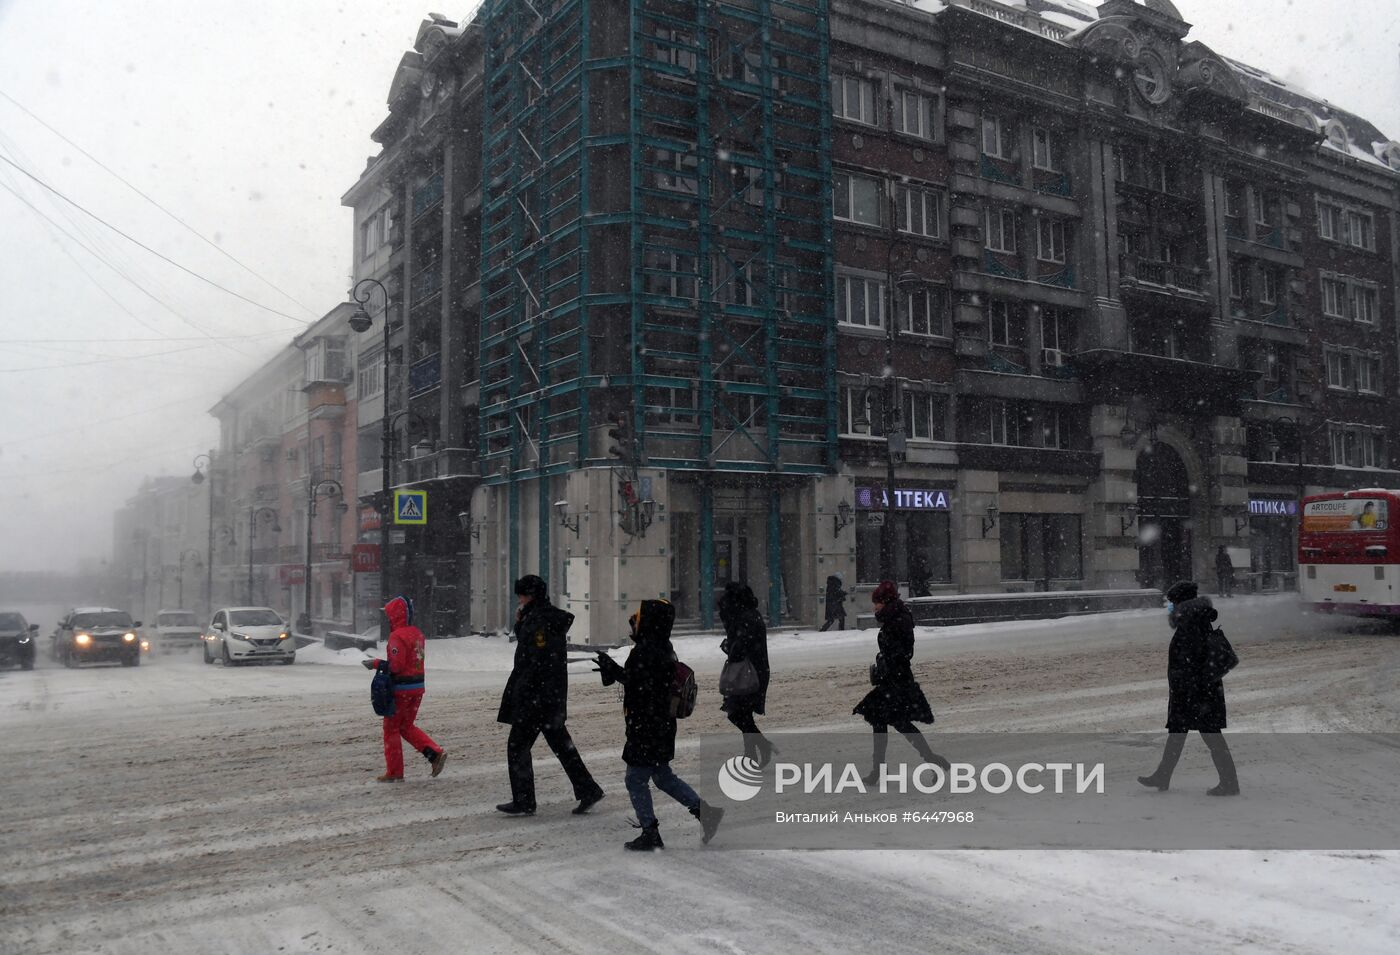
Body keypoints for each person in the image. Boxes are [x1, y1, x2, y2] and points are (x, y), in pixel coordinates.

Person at [594, 599, 724, 850]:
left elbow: (641, 686)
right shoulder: (661, 647)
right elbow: (642, 681)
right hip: (660, 725)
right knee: (662, 776)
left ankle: (650, 833)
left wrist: (615, 670)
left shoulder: (647, 651)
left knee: (635, 779)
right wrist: (614, 671)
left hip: (647, 727)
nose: (635, 620)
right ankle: (705, 813)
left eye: (640, 616)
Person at [496, 575, 604, 816]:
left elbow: (534, 661)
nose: (519, 599)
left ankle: (524, 801)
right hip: (550, 696)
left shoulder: (539, 621)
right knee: (562, 745)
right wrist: (520, 621)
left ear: (530, 596)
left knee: (517, 745)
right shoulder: (541, 617)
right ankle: (588, 789)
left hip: (537, 697)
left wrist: (525, 695)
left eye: (521, 595)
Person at [1138, 581, 1239, 796]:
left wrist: (1187, 686)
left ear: (1180, 602)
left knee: (1210, 735)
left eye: (1172, 603)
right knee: (1179, 733)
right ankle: (1163, 776)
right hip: (1197, 689)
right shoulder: (1196, 619)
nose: (1170, 608)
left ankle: (1229, 782)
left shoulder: (1191, 623)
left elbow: (1192, 660)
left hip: (1195, 692)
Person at [853, 580, 948, 784]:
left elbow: (903, 653)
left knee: (898, 723)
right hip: (892, 680)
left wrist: (887, 663)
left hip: (897, 681)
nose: (874, 607)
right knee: (884, 722)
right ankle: (881, 770)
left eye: (877, 602)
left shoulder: (899, 620)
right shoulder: (894, 618)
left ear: (886, 602)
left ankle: (931, 761)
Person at [362, 595, 447, 782]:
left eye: (389, 615)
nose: (388, 618)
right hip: (418, 688)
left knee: (391, 728)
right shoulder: (417, 633)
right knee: (406, 726)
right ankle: (434, 753)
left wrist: (376, 663)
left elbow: (397, 666)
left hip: (402, 690)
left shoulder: (396, 636)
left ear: (395, 615)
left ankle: (394, 772)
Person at [717, 581, 774, 766]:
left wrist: (730, 647)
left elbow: (741, 647)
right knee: (743, 713)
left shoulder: (745, 618)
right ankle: (751, 753)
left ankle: (761, 746)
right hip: (752, 671)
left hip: (750, 674)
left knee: (737, 713)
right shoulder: (747, 615)